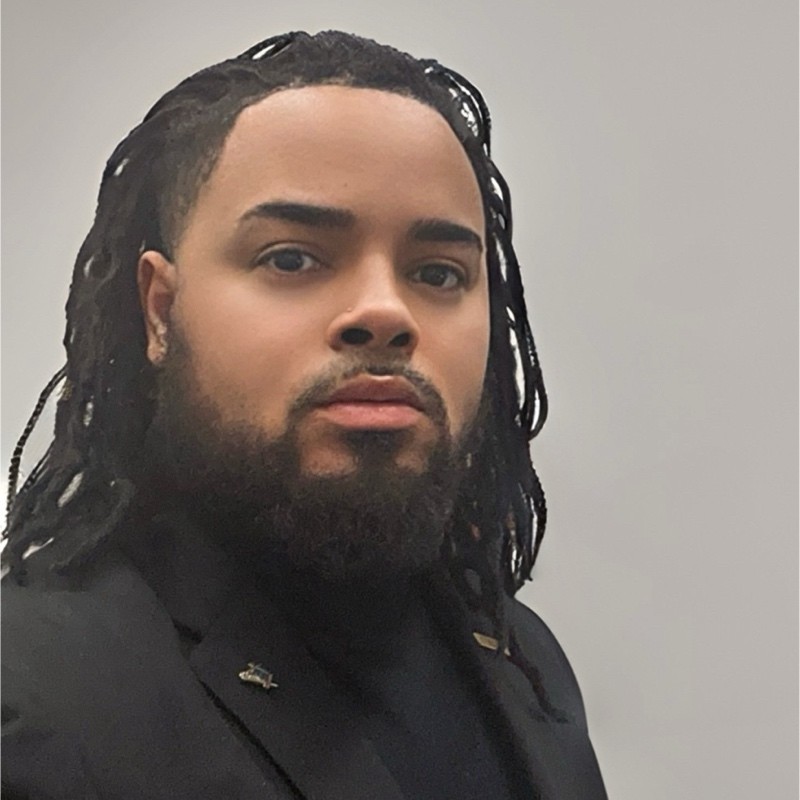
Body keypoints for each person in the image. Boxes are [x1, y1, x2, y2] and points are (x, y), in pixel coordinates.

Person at [1, 31, 607, 799]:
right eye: (291, 258)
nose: (385, 312)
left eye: (437, 273)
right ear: (159, 311)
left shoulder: (526, 666)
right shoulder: (32, 699)